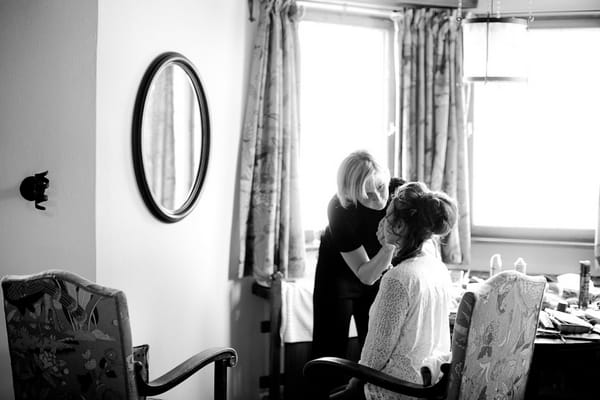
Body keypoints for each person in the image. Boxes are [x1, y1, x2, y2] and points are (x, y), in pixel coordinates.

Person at [340, 181, 458, 400]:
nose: (382, 221)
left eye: (386, 215)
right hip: (429, 385)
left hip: (395, 389)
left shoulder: (398, 279)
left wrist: (352, 386)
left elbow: (374, 358)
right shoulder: (438, 268)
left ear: (400, 226)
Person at [312, 150, 404, 364]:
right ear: (351, 195)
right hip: (337, 276)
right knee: (328, 349)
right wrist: (391, 242)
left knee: (375, 347)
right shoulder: (339, 208)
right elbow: (366, 275)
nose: (379, 198)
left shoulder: (400, 192)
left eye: (381, 188)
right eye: (367, 195)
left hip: (379, 268)